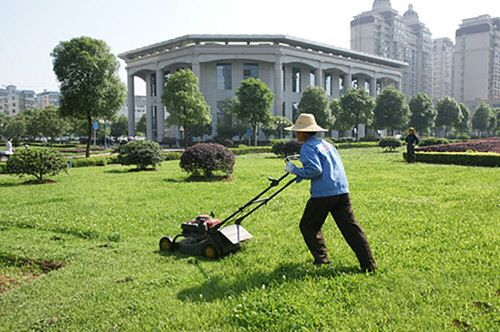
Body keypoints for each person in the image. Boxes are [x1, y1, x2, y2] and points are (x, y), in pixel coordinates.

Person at [284, 113, 376, 272]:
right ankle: (369, 264)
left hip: (323, 193)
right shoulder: (326, 144)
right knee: (351, 228)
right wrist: (300, 173)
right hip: (341, 190)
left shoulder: (307, 146)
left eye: (297, 130)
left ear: (304, 132)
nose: (296, 133)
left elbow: (315, 170)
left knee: (308, 226)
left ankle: (322, 259)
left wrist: (295, 170)